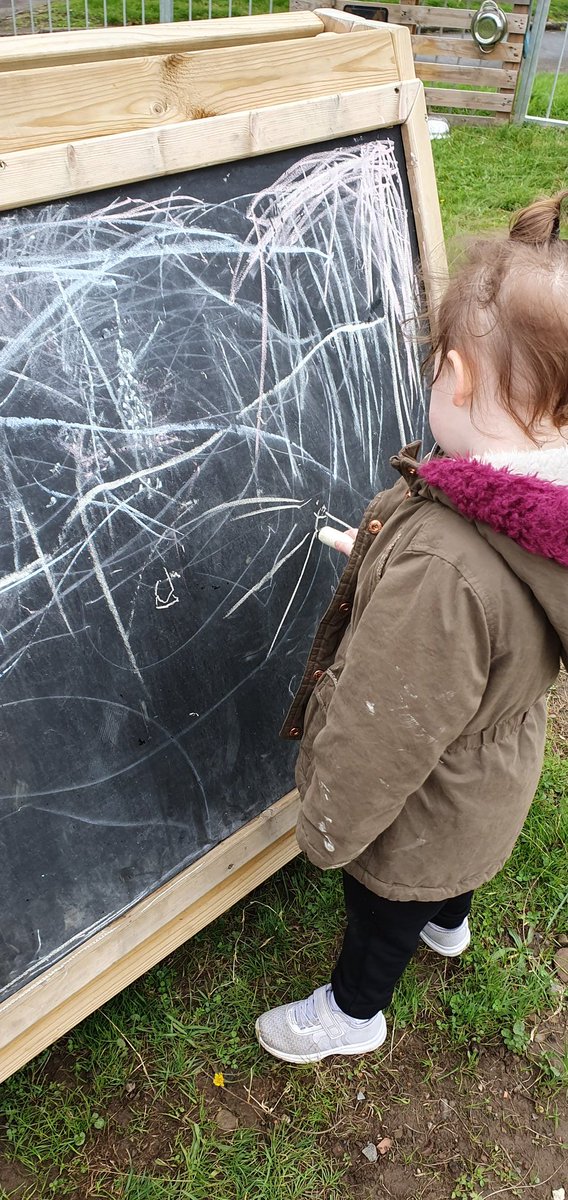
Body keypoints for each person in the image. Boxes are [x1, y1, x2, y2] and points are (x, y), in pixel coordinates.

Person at [255, 190, 568, 1064]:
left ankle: (353, 1015)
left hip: (425, 806)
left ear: (456, 375)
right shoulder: (545, 514)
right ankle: (452, 926)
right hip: (490, 778)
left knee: (383, 912)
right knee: (452, 876)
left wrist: (327, 827)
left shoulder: (449, 566)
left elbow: (384, 727)